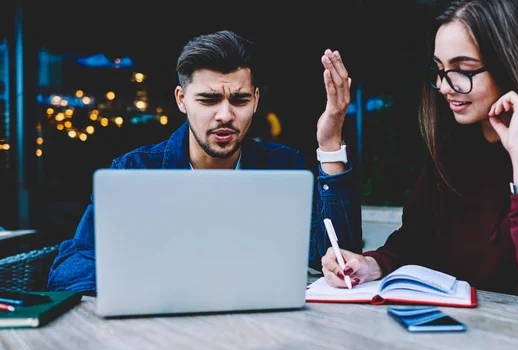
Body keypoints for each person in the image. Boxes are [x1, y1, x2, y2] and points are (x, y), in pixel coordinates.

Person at [321, 0, 518, 308]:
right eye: (439, 69)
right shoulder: (450, 157)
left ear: (512, 65)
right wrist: (373, 264)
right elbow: (414, 243)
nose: (443, 86)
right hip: (456, 341)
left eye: (463, 70)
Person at [48, 30, 362, 293]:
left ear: (255, 100)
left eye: (239, 100)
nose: (225, 115)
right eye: (208, 100)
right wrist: (165, 277)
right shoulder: (135, 170)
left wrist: (330, 141)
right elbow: (68, 270)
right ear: (182, 100)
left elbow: (341, 257)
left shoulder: (282, 166)